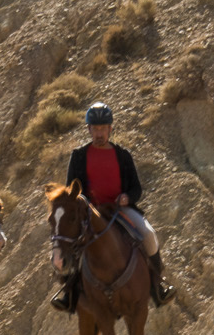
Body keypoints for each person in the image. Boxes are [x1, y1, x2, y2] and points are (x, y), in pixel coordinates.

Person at [52, 101, 173, 311]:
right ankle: (68, 293)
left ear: (110, 129)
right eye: (95, 129)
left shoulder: (123, 155)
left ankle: (158, 285)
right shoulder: (78, 156)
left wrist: (127, 197)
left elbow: (136, 188)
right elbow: (71, 190)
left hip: (119, 210)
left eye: (103, 129)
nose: (99, 133)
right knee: (69, 243)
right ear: (89, 129)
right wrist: (85, 205)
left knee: (149, 234)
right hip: (89, 212)